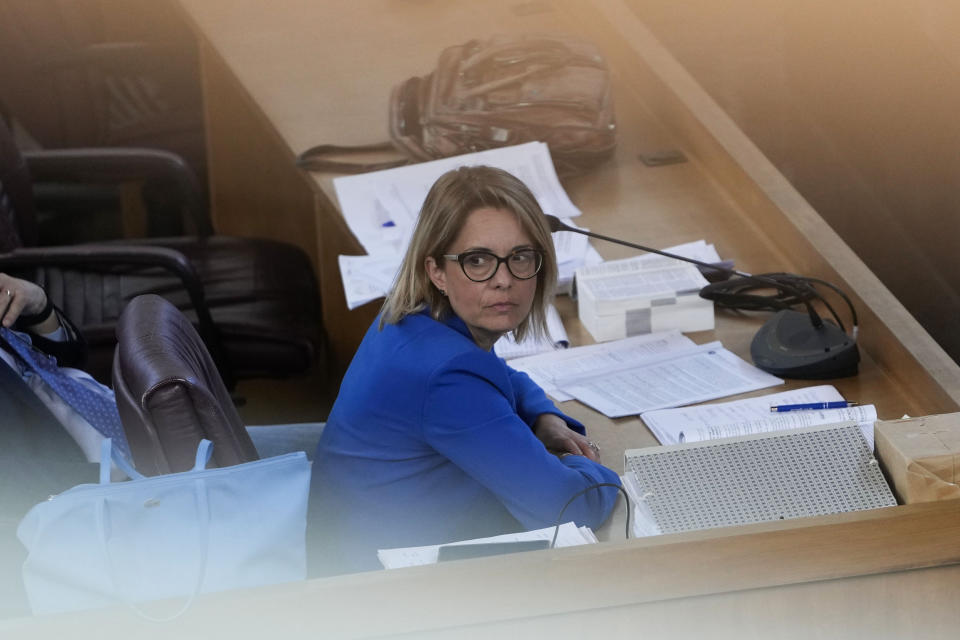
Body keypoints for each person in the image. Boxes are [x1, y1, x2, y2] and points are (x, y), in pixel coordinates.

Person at [311, 166, 620, 575]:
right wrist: (600, 468)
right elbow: (568, 508)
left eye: (520, 257)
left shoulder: (411, 317)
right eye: (478, 261)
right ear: (436, 270)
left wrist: (542, 415)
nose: (504, 280)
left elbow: (497, 374)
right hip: (386, 595)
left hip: (359, 551)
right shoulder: (445, 375)